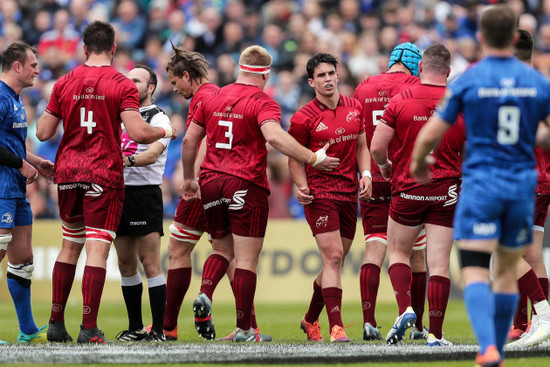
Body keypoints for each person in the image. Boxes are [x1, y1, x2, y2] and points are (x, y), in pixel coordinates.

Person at [410, 5, 550, 366]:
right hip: (521, 186)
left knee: (474, 265)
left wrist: (419, 159)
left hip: (482, 184)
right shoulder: (536, 82)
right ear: (515, 38)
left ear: (482, 38)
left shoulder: (470, 79)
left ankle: (488, 346)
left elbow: (434, 129)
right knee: (507, 267)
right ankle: (501, 346)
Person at [181, 45, 339, 342]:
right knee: (246, 261)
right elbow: (274, 136)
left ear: (240, 67)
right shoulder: (262, 101)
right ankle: (244, 329)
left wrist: (190, 178)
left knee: (221, 251)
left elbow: (190, 140)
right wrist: (313, 158)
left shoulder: (213, 96)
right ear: (265, 74)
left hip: (211, 180)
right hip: (245, 183)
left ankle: (205, 293)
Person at [36, 20, 176, 344]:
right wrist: (167, 130)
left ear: (84, 48)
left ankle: (56, 323)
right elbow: (140, 132)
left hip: (68, 171)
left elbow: (43, 132)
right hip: (102, 172)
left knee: (70, 245)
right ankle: (88, 328)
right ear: (113, 48)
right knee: (97, 250)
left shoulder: (64, 82)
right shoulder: (121, 82)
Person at [371, 43, 465, 346]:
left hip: (408, 186)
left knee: (397, 252)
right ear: (448, 72)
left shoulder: (400, 100)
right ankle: (435, 335)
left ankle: (405, 309)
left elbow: (376, 147)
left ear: (421, 68)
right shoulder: (459, 103)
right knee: (439, 263)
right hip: (447, 189)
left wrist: (385, 167)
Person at [288, 53, 371, 343]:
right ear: (311, 81)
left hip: (350, 193)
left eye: (331, 73)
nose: (327, 79)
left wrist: (366, 174)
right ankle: (336, 328)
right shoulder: (303, 118)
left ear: (338, 75)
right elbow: (295, 159)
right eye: (321, 75)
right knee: (334, 257)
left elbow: (362, 146)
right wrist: (301, 185)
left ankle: (310, 320)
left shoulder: (355, 107)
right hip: (320, 194)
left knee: (333, 263)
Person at [352, 42, 430, 341]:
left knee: (375, 247)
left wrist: (364, 171)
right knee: (416, 255)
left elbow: (358, 134)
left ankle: (369, 322)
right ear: (415, 63)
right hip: (405, 177)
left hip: (371, 174)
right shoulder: (416, 86)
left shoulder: (364, 87)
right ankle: (419, 325)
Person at [0, 41, 54, 344]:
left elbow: (11, 145)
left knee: (23, 259)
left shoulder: (17, 99)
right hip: (2, 187)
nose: (38, 69)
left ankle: (28, 329)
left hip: (16, 188)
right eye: (33, 65)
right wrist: (21, 164)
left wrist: (36, 162)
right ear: (17, 66)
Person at [114, 64, 171, 342]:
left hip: (145, 193)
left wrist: (127, 160)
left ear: (150, 88)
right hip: (118, 192)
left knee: (150, 263)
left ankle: (158, 330)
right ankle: (136, 328)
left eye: (136, 81)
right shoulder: (118, 115)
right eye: (127, 80)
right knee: (126, 264)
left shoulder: (160, 119)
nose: (130, 84)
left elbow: (151, 154)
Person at [507, 29, 550, 347]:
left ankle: (540, 315)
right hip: (544, 179)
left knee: (506, 248)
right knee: (532, 253)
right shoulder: (544, 87)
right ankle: (535, 324)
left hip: (523, 180)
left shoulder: (511, 86)